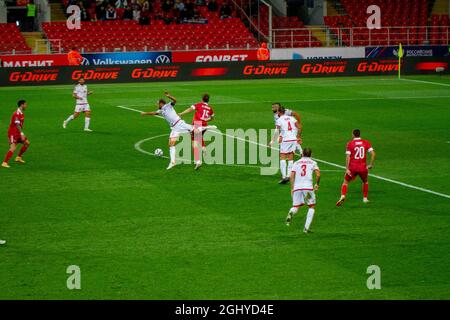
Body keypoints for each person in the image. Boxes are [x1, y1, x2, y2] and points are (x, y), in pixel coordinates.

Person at [141, 91, 217, 170]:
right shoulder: (160, 111)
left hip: (179, 123)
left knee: (193, 131)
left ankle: (205, 128)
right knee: (171, 144)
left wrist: (169, 96)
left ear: (161, 103)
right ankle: (173, 162)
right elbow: (154, 113)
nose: (156, 105)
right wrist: (145, 113)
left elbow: (175, 101)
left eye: (157, 103)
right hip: (174, 128)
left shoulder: (168, 106)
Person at [336, 129, 376, 206]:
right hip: (363, 167)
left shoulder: (350, 144)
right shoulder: (365, 142)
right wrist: (371, 164)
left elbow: (348, 157)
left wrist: (347, 168)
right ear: (359, 134)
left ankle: (343, 196)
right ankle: (365, 198)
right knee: (365, 182)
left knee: (345, 182)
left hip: (353, 167)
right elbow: (373, 154)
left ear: (353, 134)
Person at [285, 148, 320, 234]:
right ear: (310, 155)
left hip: (297, 187)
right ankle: (306, 228)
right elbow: (318, 175)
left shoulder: (296, 163)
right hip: (307, 188)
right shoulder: (313, 162)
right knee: (311, 206)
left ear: (302, 154)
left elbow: (292, 175)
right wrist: (317, 184)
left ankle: (291, 213)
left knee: (296, 206)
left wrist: (292, 188)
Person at [178, 93, 215, 170]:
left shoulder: (199, 105)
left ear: (202, 99)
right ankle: (204, 148)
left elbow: (190, 109)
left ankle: (198, 161)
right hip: (204, 125)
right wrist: (206, 119)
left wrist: (181, 113)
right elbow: (212, 118)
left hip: (197, 124)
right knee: (199, 137)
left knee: (194, 143)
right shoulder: (209, 108)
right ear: (208, 100)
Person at [270, 107, 300, 184]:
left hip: (286, 140)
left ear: (279, 112)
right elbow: (299, 127)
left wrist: (272, 141)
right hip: (293, 139)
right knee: (291, 157)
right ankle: (289, 176)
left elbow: (277, 131)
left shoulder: (279, 120)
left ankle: (284, 177)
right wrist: (298, 137)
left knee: (282, 156)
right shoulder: (292, 118)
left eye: (277, 112)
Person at [2, 100, 30, 169]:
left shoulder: (21, 113)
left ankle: (18, 157)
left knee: (27, 143)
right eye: (25, 104)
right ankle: (4, 163)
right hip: (13, 133)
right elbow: (17, 124)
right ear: (21, 105)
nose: (26, 106)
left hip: (18, 132)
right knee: (13, 147)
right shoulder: (16, 113)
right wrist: (22, 134)